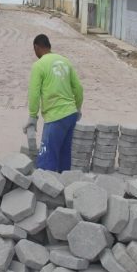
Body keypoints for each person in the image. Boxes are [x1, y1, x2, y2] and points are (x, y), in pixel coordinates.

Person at [23, 33, 83, 172]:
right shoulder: (65, 61)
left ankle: (45, 191)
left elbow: (34, 93)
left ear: (36, 47)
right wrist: (78, 108)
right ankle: (63, 187)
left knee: (46, 158)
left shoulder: (39, 65)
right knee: (64, 155)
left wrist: (32, 116)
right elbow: (79, 89)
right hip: (71, 115)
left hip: (55, 117)